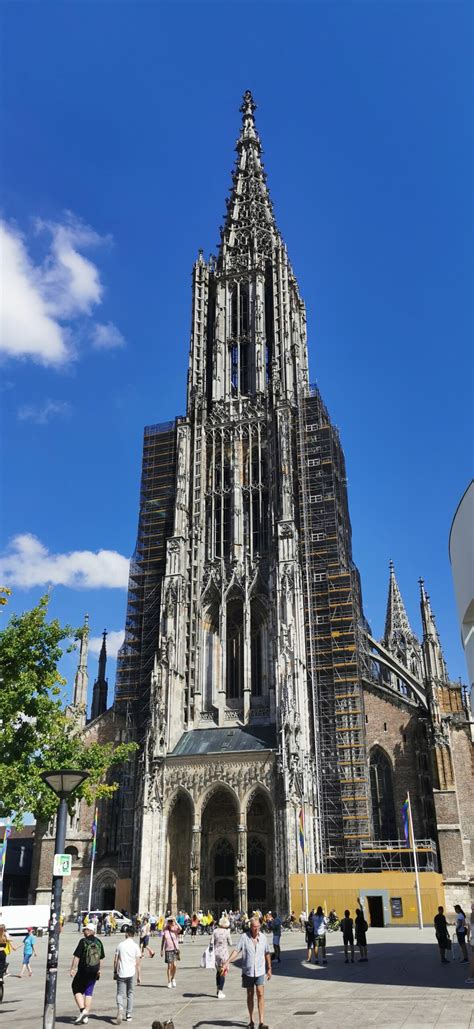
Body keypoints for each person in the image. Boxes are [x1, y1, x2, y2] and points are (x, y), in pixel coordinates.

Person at [226, 915, 272, 1029]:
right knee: (250, 994)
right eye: (254, 927)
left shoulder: (264, 938)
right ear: (250, 927)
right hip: (248, 971)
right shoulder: (244, 937)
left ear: (260, 926)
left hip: (260, 970)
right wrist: (227, 962)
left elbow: (267, 953)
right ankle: (251, 1020)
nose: (256, 929)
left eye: (258, 927)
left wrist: (269, 968)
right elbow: (236, 951)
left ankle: (261, 1022)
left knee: (260, 993)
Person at [70, 922, 105, 1024]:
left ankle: (83, 1011)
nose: (83, 931)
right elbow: (101, 958)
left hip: (83, 971)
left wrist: (73, 969)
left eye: (85, 929)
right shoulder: (99, 942)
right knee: (89, 992)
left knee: (76, 988)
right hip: (94, 970)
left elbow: (77, 957)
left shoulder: (83, 942)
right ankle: (85, 1016)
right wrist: (99, 969)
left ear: (90, 931)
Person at [113, 925, 142, 1024]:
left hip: (121, 972)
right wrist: (139, 976)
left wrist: (114, 972)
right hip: (131, 973)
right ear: (133, 935)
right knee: (130, 993)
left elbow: (116, 960)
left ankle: (120, 1008)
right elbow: (138, 963)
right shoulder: (136, 946)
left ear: (126, 933)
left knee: (120, 993)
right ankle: (128, 1014)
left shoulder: (120, 945)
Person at [212, 914, 232, 999]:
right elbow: (230, 943)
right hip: (224, 954)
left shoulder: (215, 931)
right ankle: (220, 991)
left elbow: (211, 943)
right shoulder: (227, 932)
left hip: (216, 954)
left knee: (218, 972)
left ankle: (217, 989)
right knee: (223, 973)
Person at [161, 917, 180, 989]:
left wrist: (175, 921)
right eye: (169, 921)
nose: (170, 922)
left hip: (175, 949)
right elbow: (163, 939)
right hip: (168, 950)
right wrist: (161, 950)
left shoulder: (175, 929)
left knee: (174, 965)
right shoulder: (165, 930)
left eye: (171, 921)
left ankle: (173, 978)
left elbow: (180, 929)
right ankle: (169, 981)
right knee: (169, 966)